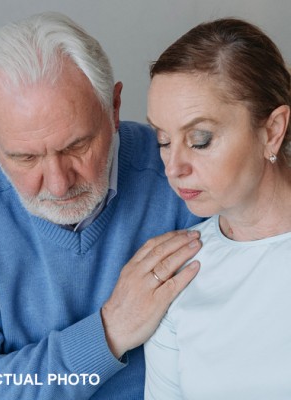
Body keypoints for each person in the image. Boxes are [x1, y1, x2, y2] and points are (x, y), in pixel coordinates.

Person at [0, 11, 204, 399]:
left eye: (77, 146)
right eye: (25, 158)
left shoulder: (182, 175)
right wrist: (108, 332)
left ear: (114, 108)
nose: (59, 184)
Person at [144, 18, 291, 399]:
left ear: (272, 130)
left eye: (200, 139)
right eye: (162, 140)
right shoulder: (177, 276)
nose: (174, 167)